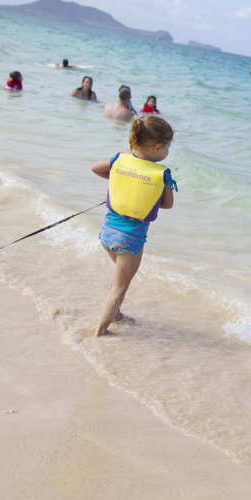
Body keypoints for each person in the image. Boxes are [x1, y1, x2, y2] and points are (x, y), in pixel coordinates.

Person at [90, 116, 177, 336]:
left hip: (107, 234)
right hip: (131, 239)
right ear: (158, 147)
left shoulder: (119, 159)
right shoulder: (162, 174)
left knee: (120, 277)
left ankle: (116, 315)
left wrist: (121, 178)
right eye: (167, 147)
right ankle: (101, 332)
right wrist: (163, 185)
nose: (167, 152)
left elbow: (95, 168)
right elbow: (167, 205)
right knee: (121, 287)